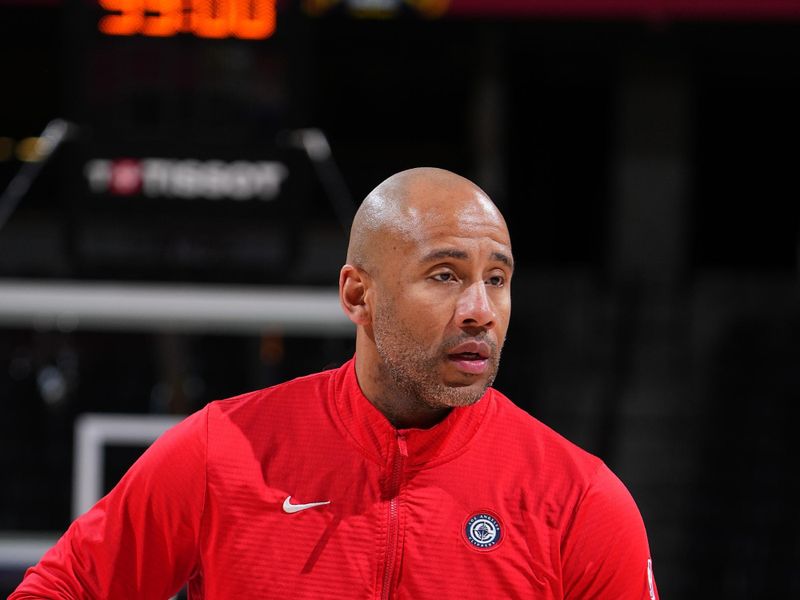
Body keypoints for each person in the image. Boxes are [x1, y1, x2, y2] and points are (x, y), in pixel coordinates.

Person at [10, 167, 660, 599]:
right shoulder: (223, 451)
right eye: (444, 275)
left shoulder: (580, 501)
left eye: (497, 278)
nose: (480, 310)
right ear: (357, 294)